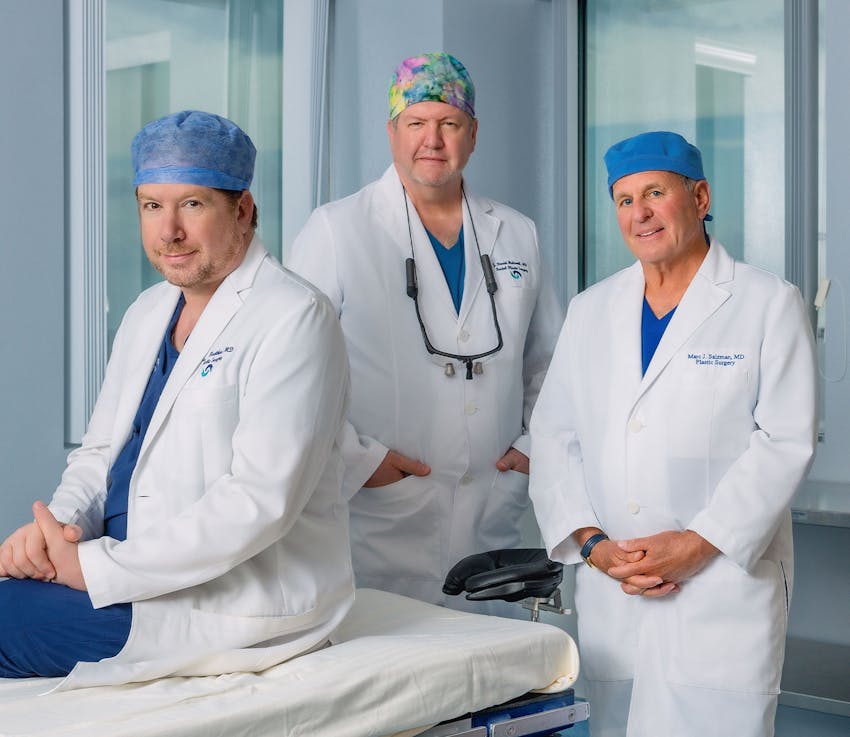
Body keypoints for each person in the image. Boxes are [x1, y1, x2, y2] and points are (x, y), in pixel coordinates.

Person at [0, 110, 354, 689]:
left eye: (192, 205)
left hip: (232, 602)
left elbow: (258, 502)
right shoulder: (147, 312)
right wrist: (57, 534)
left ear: (242, 209)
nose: (169, 232)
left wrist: (93, 568)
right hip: (127, 573)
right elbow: (100, 454)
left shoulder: (295, 317)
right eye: (151, 206)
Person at [529, 131, 817, 736]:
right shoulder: (591, 310)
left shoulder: (767, 303)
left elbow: (785, 441)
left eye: (656, 193)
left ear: (701, 196)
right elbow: (554, 438)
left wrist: (696, 544)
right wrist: (592, 546)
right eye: (624, 199)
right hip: (617, 590)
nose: (640, 213)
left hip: (720, 595)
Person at [285, 53, 563, 612]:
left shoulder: (517, 234)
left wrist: (536, 447)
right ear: (392, 132)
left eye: (450, 123)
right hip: (382, 513)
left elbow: (549, 362)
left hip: (495, 506)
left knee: (492, 675)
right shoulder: (338, 230)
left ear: (473, 133)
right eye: (416, 123)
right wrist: (361, 462)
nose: (432, 139)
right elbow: (293, 376)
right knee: (395, 675)